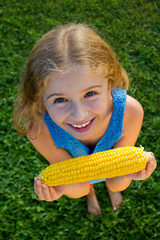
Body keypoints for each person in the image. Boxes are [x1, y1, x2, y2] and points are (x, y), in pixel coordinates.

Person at [14, 23, 156, 216]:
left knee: (113, 187)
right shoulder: (39, 130)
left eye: (90, 94)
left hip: (113, 175)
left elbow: (117, 183)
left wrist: (127, 173)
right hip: (82, 183)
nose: (79, 115)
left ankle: (104, 189)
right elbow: (78, 188)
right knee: (87, 188)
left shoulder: (130, 112)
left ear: (110, 84)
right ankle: (92, 194)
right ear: (41, 100)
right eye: (60, 99)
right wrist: (63, 188)